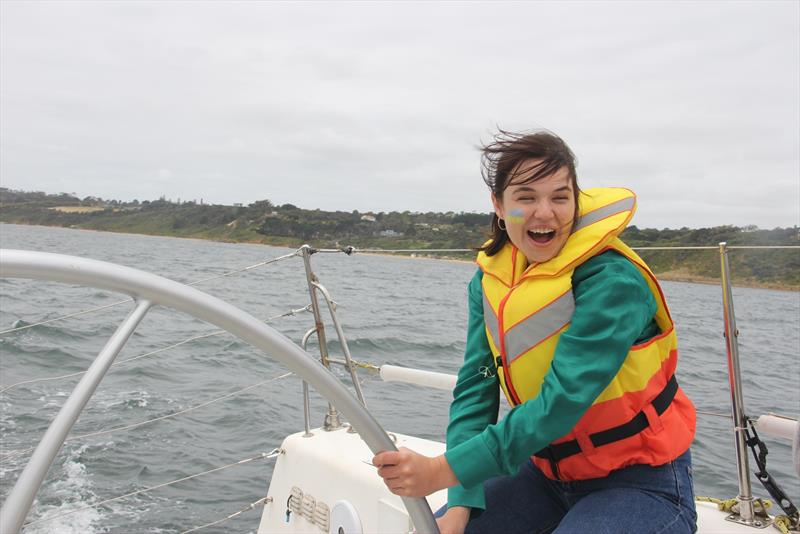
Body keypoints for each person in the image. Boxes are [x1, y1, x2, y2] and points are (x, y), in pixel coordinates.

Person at [373, 130, 698, 534]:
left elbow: (561, 403)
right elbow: (477, 389)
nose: (545, 212)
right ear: (498, 204)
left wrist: (441, 470)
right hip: (545, 474)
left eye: (560, 197)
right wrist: (460, 499)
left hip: (641, 479)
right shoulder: (489, 281)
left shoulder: (613, 281)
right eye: (526, 197)